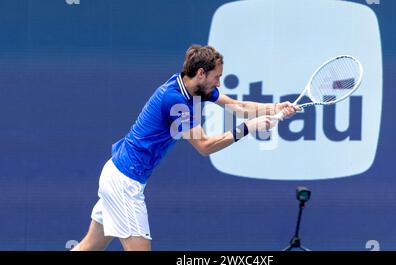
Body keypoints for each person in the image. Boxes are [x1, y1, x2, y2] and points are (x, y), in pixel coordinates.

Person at [72, 45, 298, 251]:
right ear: (201, 73)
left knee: (89, 247)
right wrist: (247, 128)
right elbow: (205, 146)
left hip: (118, 174)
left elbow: (238, 106)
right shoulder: (175, 101)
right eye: (216, 77)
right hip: (124, 181)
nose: (218, 83)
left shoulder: (196, 89)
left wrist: (276, 107)